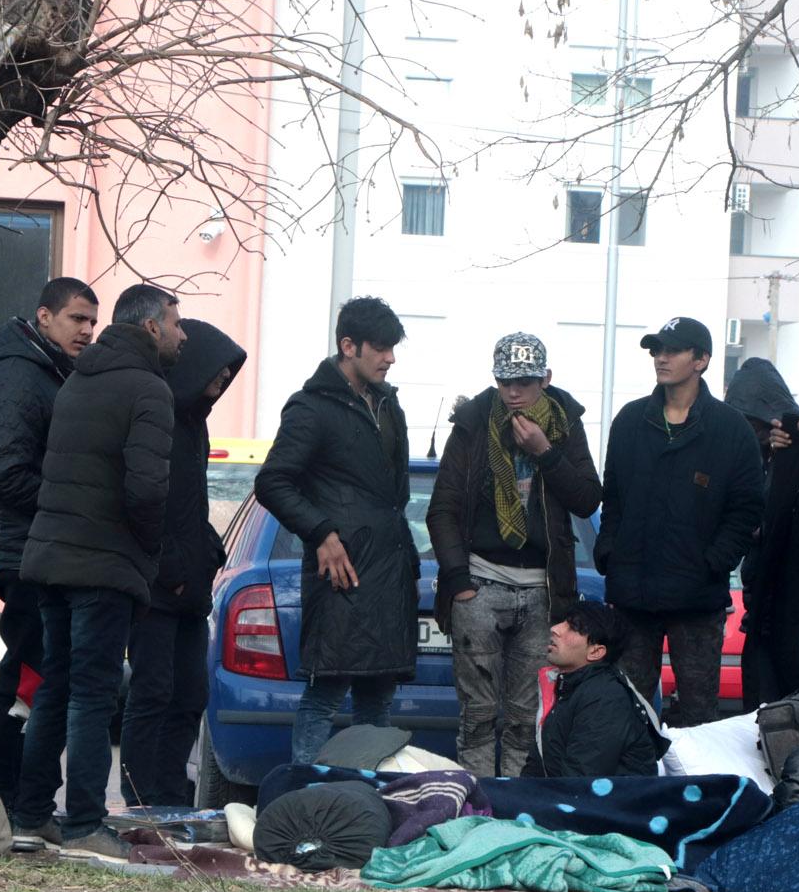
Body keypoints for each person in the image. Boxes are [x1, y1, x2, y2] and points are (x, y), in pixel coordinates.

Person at [12, 284, 184, 866]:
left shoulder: (78, 382)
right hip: (102, 566)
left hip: (53, 560)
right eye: (177, 324)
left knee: (56, 690)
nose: (183, 336)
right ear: (153, 328)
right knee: (92, 694)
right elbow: (148, 490)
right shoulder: (148, 389)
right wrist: (148, 550)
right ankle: (85, 822)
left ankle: (30, 816)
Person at [426, 332, 603, 776]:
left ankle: (519, 810)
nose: (514, 392)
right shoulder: (472, 424)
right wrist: (459, 582)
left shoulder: (565, 423)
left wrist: (545, 452)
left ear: (545, 378)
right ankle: (479, 807)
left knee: (528, 718)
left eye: (523, 381)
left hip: (543, 592)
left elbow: (586, 499)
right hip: (481, 586)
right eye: (505, 382)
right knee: (479, 716)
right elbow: (442, 508)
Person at [256, 296, 421, 764]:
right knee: (325, 695)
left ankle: (368, 805)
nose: (390, 358)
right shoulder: (311, 407)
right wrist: (322, 534)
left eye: (393, 348)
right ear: (348, 346)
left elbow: (395, 495)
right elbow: (272, 481)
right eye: (382, 347)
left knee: (377, 703)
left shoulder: (389, 406)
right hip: (342, 575)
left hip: (388, 572)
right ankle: (304, 795)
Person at [595, 317, 764, 726]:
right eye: (656, 350)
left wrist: (714, 561)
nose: (661, 357)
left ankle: (695, 791)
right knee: (631, 714)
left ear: (702, 360)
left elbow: (747, 509)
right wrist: (610, 551)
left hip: (696, 597)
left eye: (672, 350)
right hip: (634, 594)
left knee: (699, 717)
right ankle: (634, 787)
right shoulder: (631, 420)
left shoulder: (730, 428)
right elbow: (613, 496)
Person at [0, 277, 97, 799]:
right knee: (25, 683)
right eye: (77, 318)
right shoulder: (19, 376)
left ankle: (22, 793)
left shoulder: (51, 371)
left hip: (45, 552)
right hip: (27, 556)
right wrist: (74, 500)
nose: (88, 330)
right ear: (44, 316)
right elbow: (7, 474)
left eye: (93, 321)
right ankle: (1, 793)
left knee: (37, 680)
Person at [121, 318, 246, 807]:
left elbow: (191, 504)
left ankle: (170, 792)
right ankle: (139, 796)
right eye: (218, 372)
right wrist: (171, 565)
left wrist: (208, 549)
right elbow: (145, 502)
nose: (222, 381)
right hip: (158, 588)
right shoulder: (161, 415)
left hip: (190, 589)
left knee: (190, 695)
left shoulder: (195, 422)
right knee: (151, 693)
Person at [723, 358, 799, 706]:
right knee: (761, 715)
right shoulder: (752, 460)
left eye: (750, 423)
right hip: (761, 605)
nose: (745, 432)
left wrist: (789, 461)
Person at [522, 601, 669, 779]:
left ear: (596, 652)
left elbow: (581, 782)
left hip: (610, 804)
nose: (555, 629)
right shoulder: (568, 685)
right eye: (563, 622)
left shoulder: (606, 698)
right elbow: (537, 768)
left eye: (573, 628)